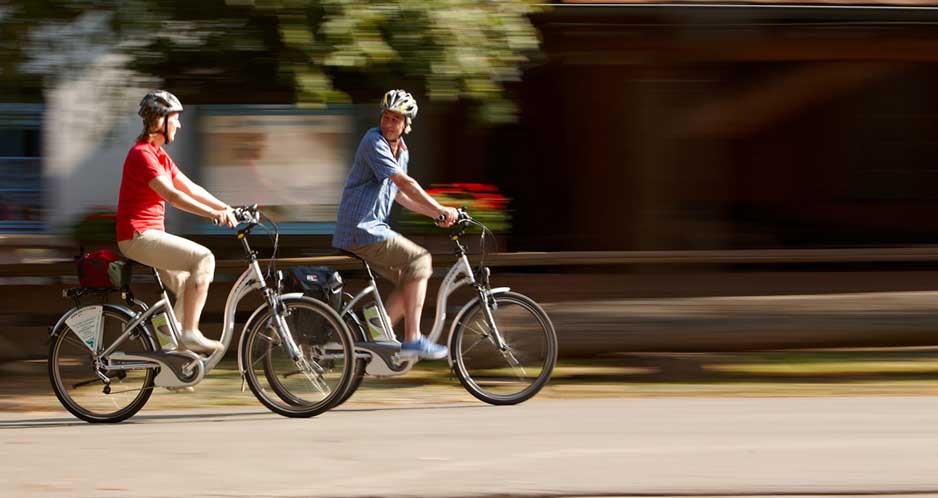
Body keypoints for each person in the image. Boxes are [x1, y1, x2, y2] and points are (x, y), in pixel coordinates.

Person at [333, 89, 458, 359]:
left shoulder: (402, 152)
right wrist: (440, 208)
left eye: (396, 119)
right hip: (361, 229)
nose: (389, 124)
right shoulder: (373, 141)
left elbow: (399, 195)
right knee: (420, 260)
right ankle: (413, 339)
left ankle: (379, 342)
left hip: (372, 229)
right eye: (386, 117)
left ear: (406, 124)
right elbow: (405, 183)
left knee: (411, 279)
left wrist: (435, 215)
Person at [116, 90, 237, 354]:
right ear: (160, 120)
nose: (179, 125)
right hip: (138, 236)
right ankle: (189, 333)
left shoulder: (159, 155)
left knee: (186, 286)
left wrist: (226, 208)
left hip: (150, 235)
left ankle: (171, 351)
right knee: (204, 259)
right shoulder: (142, 155)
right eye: (175, 118)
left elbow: (191, 188)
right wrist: (212, 213)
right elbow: (172, 196)